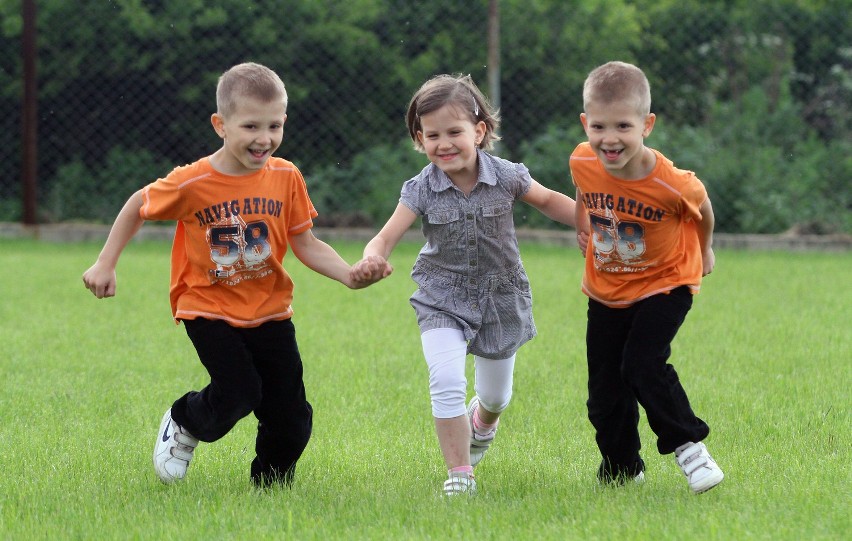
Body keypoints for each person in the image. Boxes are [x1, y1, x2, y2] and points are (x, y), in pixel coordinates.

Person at [82, 62, 384, 487]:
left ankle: (270, 489)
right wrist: (105, 262)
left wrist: (349, 275)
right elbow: (138, 204)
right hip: (206, 306)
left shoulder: (286, 176)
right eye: (251, 126)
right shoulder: (194, 181)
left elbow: (307, 243)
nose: (265, 139)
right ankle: (184, 420)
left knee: (291, 415)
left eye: (275, 125)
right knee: (239, 393)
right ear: (220, 125)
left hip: (270, 310)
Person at [351, 74, 579, 496]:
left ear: (478, 131)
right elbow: (385, 237)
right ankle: (460, 474)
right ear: (420, 139)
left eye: (454, 132)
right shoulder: (421, 188)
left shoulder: (507, 176)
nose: (444, 143)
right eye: (432, 135)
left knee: (495, 397)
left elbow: (548, 200)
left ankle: (483, 422)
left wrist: (593, 226)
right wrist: (372, 257)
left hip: (500, 297)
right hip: (442, 297)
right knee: (446, 380)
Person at [570, 61, 724, 494]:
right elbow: (582, 188)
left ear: (647, 125)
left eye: (623, 125)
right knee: (603, 392)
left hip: (666, 282)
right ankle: (621, 468)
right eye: (598, 126)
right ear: (585, 123)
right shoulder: (583, 159)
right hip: (606, 290)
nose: (609, 138)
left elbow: (704, 209)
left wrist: (706, 247)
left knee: (641, 363)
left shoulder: (674, 184)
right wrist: (583, 223)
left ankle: (689, 448)